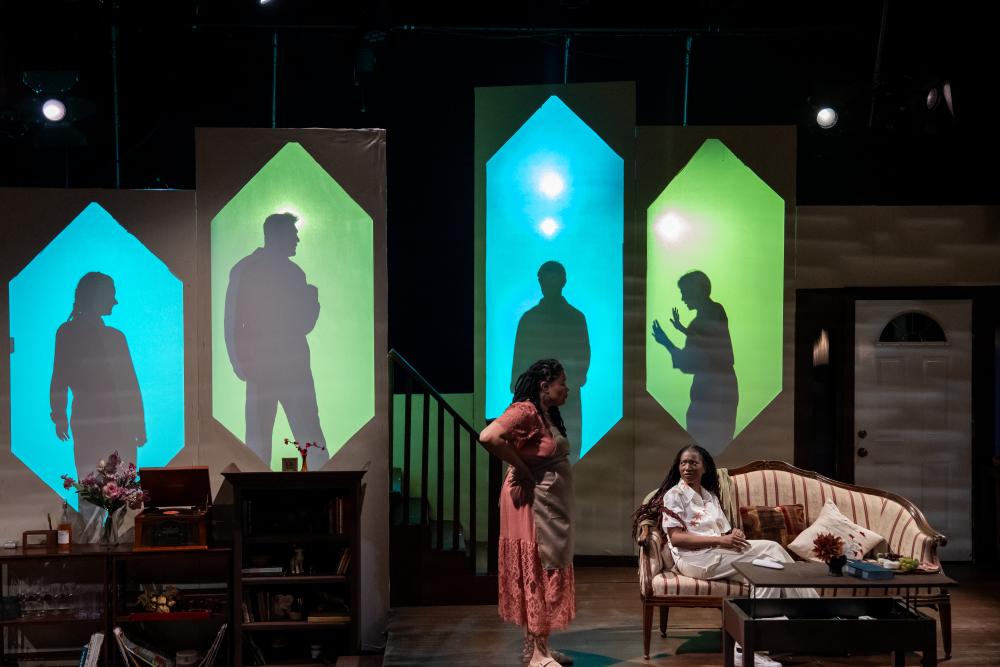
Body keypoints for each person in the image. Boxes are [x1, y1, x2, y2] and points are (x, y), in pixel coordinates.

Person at [634, 444, 817, 667]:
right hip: (695, 559)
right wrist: (721, 540)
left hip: (718, 552)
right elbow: (678, 538)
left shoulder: (710, 496)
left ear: (704, 468)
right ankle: (816, 618)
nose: (688, 467)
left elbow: (724, 531)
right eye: (683, 462)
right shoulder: (674, 495)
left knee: (769, 562)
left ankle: (755, 644)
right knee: (769, 556)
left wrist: (733, 533)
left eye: (693, 462)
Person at [479, 359, 576, 667]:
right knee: (538, 567)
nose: (567, 388)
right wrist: (520, 467)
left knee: (545, 565)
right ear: (544, 386)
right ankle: (537, 653)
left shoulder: (546, 413)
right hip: (530, 503)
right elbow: (488, 436)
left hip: (548, 503)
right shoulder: (525, 410)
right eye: (562, 382)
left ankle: (536, 647)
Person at [224, 212, 328, 467]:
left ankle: (323, 492)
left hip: (283, 369)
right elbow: (233, 320)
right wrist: (239, 362)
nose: (298, 240)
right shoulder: (255, 270)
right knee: (272, 439)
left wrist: (241, 364)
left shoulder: (283, 271)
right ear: (278, 235)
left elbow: (301, 325)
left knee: (302, 436)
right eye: (293, 234)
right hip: (272, 369)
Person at [50, 272, 146, 540]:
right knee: (94, 496)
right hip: (100, 424)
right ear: (96, 297)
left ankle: (107, 550)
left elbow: (129, 383)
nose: (115, 302)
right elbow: (59, 377)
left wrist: (59, 414)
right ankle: (98, 553)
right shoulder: (71, 333)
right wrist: (58, 413)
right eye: (110, 294)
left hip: (111, 425)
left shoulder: (113, 336)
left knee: (114, 497)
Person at [510, 261, 590, 463]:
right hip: (536, 399)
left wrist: (566, 387)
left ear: (563, 282)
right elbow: (520, 357)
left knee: (570, 452)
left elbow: (583, 357)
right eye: (546, 280)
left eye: (554, 280)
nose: (550, 285)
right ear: (540, 282)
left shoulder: (575, 318)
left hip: (567, 399)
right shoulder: (530, 319)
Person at [651, 270, 738, 454]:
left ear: (696, 290)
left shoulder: (705, 319)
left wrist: (667, 341)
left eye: (684, 292)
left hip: (710, 395)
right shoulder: (715, 312)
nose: (683, 298)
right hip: (721, 390)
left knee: (706, 450)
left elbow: (689, 361)